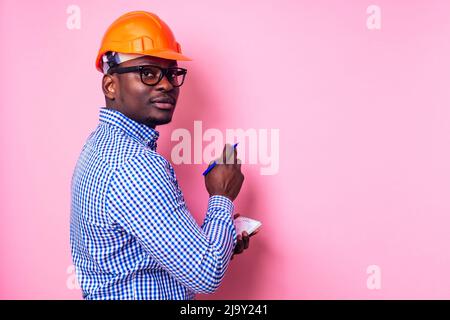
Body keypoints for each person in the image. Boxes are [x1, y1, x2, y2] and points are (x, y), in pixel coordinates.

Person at [70, 11, 253, 300]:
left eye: (172, 73)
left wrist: (221, 238)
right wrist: (222, 196)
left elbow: (144, 259)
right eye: (148, 72)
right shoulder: (135, 165)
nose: (166, 84)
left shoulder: (100, 145)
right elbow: (206, 273)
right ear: (110, 85)